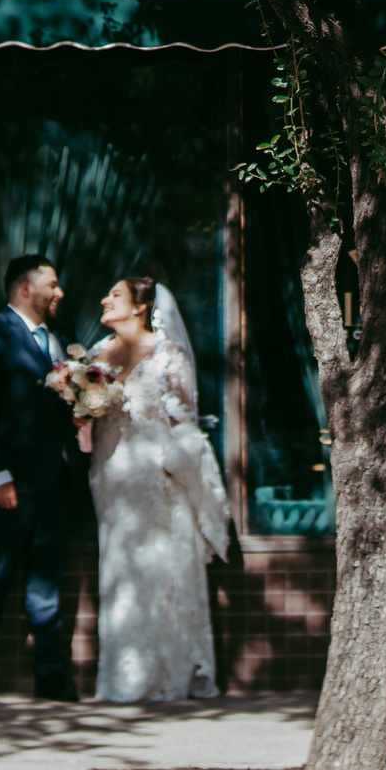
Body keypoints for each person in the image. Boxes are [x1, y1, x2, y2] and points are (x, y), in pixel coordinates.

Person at [82, 275, 232, 701]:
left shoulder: (168, 355)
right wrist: (80, 416)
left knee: (162, 570)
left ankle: (167, 672)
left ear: (140, 306)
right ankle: (122, 676)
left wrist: (177, 468)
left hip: (157, 476)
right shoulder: (95, 355)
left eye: (114, 295)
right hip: (111, 476)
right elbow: (87, 423)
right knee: (119, 570)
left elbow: (185, 424)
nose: (103, 300)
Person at [0, 253, 81, 704]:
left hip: (55, 483)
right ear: (25, 288)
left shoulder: (58, 339)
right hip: (9, 485)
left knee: (46, 586)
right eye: (53, 283)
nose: (60, 292)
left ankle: (51, 678)